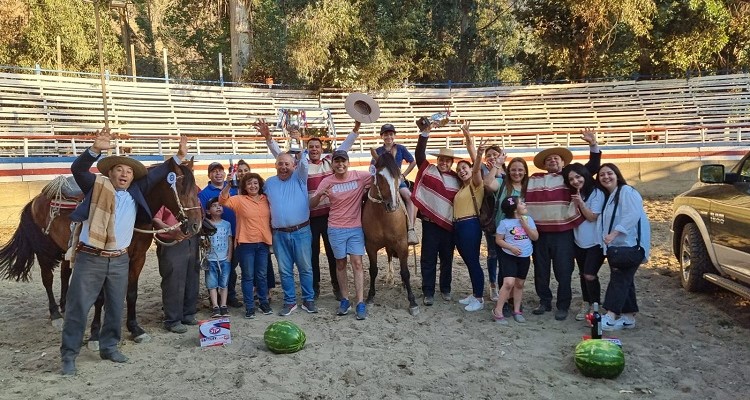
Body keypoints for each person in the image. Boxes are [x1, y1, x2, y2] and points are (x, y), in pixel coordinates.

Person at [61, 128, 188, 375]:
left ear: (133, 178)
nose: (125, 173)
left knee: (116, 306)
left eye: (129, 171)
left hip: (119, 258)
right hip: (91, 257)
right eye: (119, 169)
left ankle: (109, 346)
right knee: (78, 307)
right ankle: (69, 356)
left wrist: (179, 157)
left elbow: (161, 171)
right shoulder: (95, 186)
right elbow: (78, 170)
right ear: (110, 173)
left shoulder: (136, 191)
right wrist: (95, 150)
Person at [262, 120, 360, 300]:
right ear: (307, 149)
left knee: (333, 253)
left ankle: (337, 287)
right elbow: (280, 155)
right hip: (310, 218)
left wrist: (355, 129)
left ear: (322, 149)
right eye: (311, 147)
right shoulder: (300, 165)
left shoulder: (330, 162)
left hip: (330, 216)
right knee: (312, 254)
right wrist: (269, 138)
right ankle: (314, 288)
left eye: (317, 146)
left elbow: (345, 147)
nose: (314, 149)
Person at [525, 128, 601, 320]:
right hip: (540, 232)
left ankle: (563, 305)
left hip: (563, 231)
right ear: (543, 164)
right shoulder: (534, 179)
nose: (552, 161)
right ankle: (544, 301)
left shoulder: (569, 177)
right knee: (541, 270)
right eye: (549, 159)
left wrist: (593, 145)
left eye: (556, 158)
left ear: (563, 162)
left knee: (564, 271)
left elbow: (591, 168)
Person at [256, 118, 317, 316]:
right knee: (284, 270)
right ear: (275, 166)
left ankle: (308, 299)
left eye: (287, 164)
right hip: (279, 234)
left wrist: (273, 139)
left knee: (305, 268)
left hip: (301, 231)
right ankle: (290, 301)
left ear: (294, 165)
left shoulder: (300, 178)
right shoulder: (269, 183)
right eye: (280, 164)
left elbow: (300, 161)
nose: (283, 166)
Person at [310, 150, 373, 320]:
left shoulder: (359, 176)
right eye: (337, 161)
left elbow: (378, 176)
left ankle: (360, 302)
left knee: (358, 263)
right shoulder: (327, 181)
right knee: (340, 263)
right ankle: (345, 299)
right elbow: (312, 204)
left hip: (355, 228)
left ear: (348, 162)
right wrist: (320, 196)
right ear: (332, 164)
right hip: (335, 228)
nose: (340, 164)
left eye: (343, 161)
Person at [411, 120, 461, 306]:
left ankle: (446, 288)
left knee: (447, 259)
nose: (444, 163)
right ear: (437, 160)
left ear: (451, 163)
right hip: (430, 223)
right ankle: (428, 291)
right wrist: (424, 134)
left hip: (449, 226)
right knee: (428, 259)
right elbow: (419, 154)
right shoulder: (429, 170)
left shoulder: (457, 179)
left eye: (447, 161)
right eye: (441, 160)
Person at [597, 163, 650, 331]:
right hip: (618, 247)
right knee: (626, 280)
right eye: (602, 175)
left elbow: (632, 214)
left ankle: (611, 316)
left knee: (619, 279)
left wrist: (614, 233)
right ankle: (628, 317)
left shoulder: (627, 191)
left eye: (609, 173)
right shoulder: (612, 195)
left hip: (630, 245)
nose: (606, 177)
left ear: (617, 174)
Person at [219, 172, 273, 319]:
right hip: (246, 243)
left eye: (255, 183)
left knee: (261, 275)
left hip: (262, 242)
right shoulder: (239, 200)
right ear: (244, 186)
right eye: (249, 183)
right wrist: (228, 184)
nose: (252, 186)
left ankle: (263, 302)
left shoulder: (266, 199)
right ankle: (249, 306)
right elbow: (223, 200)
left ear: (260, 185)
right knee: (248, 276)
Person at [484, 156, 529, 316]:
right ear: (508, 171)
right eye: (513, 169)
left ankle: (513, 300)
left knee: (519, 272)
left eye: (520, 170)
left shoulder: (528, 188)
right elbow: (488, 183)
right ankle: (506, 302)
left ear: (525, 171)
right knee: (505, 270)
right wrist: (497, 165)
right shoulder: (503, 185)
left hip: (523, 236)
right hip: (503, 236)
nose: (517, 173)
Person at [562, 162, 605, 321]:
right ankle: (586, 303)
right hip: (578, 241)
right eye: (571, 179)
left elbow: (592, 217)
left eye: (578, 177)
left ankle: (595, 306)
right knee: (582, 274)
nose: (575, 181)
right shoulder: (574, 194)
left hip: (595, 242)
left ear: (585, 175)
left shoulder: (596, 193)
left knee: (590, 275)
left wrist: (580, 203)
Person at [198, 162, 241, 308]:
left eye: (220, 171)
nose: (218, 174)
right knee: (213, 268)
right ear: (209, 175)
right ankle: (214, 298)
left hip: (233, 232)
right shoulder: (203, 194)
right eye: (214, 171)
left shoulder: (234, 189)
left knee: (230, 266)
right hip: (214, 236)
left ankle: (230, 295)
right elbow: (202, 215)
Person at [452, 135, 487, 312]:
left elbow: (476, 171)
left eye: (464, 168)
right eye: (459, 169)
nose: (461, 171)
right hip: (459, 225)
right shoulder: (462, 188)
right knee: (468, 261)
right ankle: (475, 294)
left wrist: (478, 154)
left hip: (470, 224)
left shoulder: (476, 184)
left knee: (473, 261)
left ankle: (479, 298)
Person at [153, 205, 200, 333]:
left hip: (192, 239)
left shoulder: (193, 190)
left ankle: (188, 314)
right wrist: (170, 231)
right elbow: (155, 219)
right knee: (173, 280)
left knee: (192, 277)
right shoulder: (165, 193)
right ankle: (172, 320)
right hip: (172, 241)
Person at [491, 196, 538, 325]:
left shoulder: (529, 220)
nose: (524, 204)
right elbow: (499, 240)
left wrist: (525, 225)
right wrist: (511, 247)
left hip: (524, 257)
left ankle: (517, 311)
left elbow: (535, 237)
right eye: (521, 203)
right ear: (515, 209)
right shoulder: (504, 223)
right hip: (509, 256)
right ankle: (498, 311)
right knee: (508, 283)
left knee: (519, 284)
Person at [370, 123, 419, 245]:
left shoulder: (401, 148)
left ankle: (411, 229)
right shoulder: (378, 151)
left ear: (394, 135)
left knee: (409, 197)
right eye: (386, 135)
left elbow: (412, 162)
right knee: (367, 197)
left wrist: (403, 175)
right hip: (383, 181)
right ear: (382, 136)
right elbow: (372, 167)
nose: (388, 137)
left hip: (397, 181)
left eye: (391, 134)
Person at [233, 159, 276, 299]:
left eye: (246, 170)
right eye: (240, 171)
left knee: (263, 268)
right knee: (246, 270)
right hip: (241, 234)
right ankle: (248, 297)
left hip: (261, 236)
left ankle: (264, 294)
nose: (243, 173)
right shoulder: (235, 191)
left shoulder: (262, 195)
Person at [479, 145, 507, 301]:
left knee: (506, 254)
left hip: (509, 221)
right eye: (488, 155)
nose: (491, 157)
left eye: (494, 154)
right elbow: (487, 186)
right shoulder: (485, 173)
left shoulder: (510, 173)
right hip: (492, 220)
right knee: (493, 254)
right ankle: (493, 285)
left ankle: (504, 283)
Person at [203, 197, 232, 317]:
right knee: (212, 283)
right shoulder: (206, 224)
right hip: (211, 259)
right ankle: (215, 306)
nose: (218, 207)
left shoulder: (227, 224)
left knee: (224, 283)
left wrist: (229, 256)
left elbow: (230, 240)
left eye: (220, 205)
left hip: (224, 259)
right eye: (214, 206)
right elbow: (203, 241)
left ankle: (223, 305)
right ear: (208, 211)